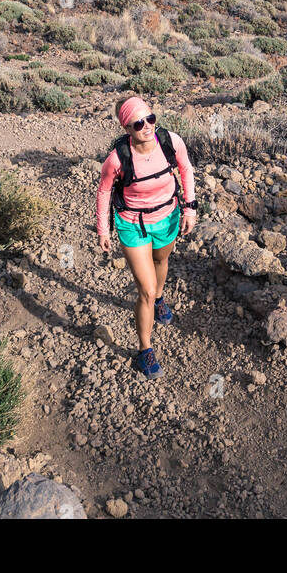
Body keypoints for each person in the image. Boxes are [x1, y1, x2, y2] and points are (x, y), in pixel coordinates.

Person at [96, 94, 197, 377]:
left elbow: (186, 169)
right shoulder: (117, 159)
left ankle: (160, 297)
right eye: (138, 123)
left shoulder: (170, 142)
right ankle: (145, 349)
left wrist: (189, 208)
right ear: (127, 128)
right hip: (132, 224)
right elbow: (104, 191)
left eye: (150, 118)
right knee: (146, 291)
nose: (147, 126)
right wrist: (103, 228)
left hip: (167, 217)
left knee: (161, 261)